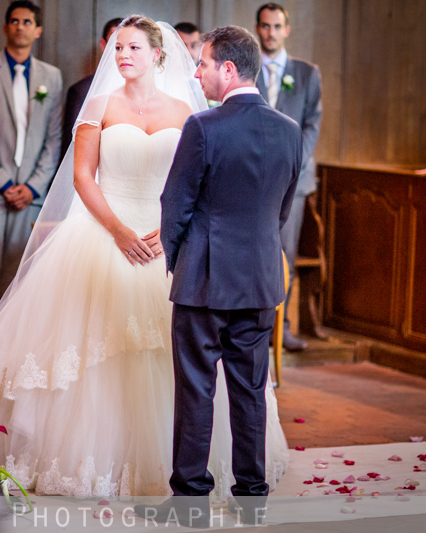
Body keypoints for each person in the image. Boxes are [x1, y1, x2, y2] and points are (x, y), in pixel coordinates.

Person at [0, 15, 289, 500]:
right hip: (103, 232)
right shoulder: (99, 104)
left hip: (170, 241)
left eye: (133, 48)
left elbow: (198, 183)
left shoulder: (189, 112)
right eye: (117, 49)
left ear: (158, 54)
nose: (122, 57)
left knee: (185, 366)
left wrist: (170, 233)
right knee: (98, 355)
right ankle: (126, 466)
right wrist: (117, 229)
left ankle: (195, 476)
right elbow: (83, 177)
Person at [136, 25, 301, 527]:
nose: (198, 72)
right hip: (258, 281)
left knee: (196, 390)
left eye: (203, 63)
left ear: (228, 69)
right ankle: (251, 501)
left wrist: (177, 261)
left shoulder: (204, 127)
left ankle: (190, 505)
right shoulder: (290, 131)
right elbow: (281, 211)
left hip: (204, 282)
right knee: (251, 390)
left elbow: (175, 205)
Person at [0, 0, 63, 333]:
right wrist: (5, 183)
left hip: (30, 191)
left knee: (17, 269)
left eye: (27, 21)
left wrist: (32, 186)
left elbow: (54, 139)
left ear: (38, 30)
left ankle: (3, 347)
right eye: (14, 21)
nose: (20, 27)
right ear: (6, 28)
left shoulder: (52, 76)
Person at [255, 2, 322, 351]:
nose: (271, 33)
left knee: (286, 255)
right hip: (252, 178)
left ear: (287, 29)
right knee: (255, 252)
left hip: (294, 181)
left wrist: (293, 161)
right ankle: (255, 326)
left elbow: (312, 125)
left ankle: (282, 326)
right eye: (265, 26)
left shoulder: (307, 73)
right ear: (258, 29)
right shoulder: (248, 70)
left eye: (277, 26)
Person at [61, 17, 123, 158]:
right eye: (116, 45)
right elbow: (70, 149)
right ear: (103, 45)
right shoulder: (81, 91)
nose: (122, 53)